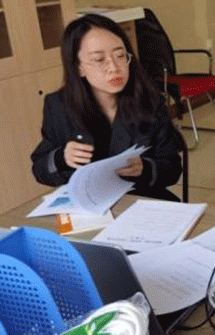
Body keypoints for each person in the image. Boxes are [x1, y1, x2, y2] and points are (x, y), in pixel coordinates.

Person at [31, 13, 184, 201]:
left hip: (141, 199)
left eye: (120, 56)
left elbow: (173, 169)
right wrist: (61, 158)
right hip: (89, 204)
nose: (114, 67)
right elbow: (39, 168)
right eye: (99, 59)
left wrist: (144, 168)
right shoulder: (58, 106)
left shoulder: (151, 101)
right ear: (78, 67)